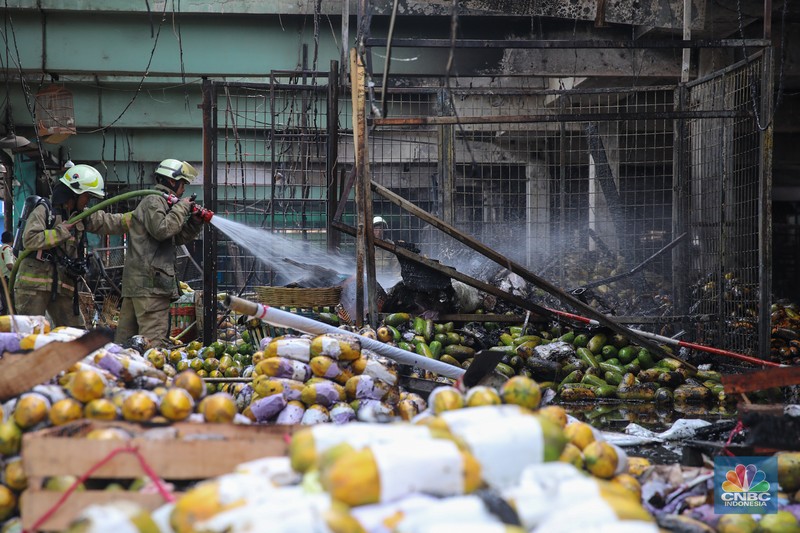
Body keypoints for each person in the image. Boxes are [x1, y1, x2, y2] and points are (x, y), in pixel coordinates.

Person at [15, 164, 132, 326]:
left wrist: (140, 216)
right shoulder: (45, 210)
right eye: (87, 196)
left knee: (76, 331)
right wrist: (61, 232)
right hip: (34, 285)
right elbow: (30, 239)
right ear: (74, 194)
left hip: (63, 286)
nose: (88, 201)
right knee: (30, 331)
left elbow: (110, 222)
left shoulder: (82, 216)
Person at [115, 158, 205, 348]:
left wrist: (195, 222)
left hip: (142, 286)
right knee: (153, 345)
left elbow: (174, 237)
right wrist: (182, 207)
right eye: (183, 184)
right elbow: (162, 230)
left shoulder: (162, 204)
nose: (184, 189)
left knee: (124, 347)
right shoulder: (154, 200)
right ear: (172, 181)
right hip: (151, 289)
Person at [0, 231, 15, 313]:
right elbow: (9, 265)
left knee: (4, 301)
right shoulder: (7, 249)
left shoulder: (1, 248)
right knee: (8, 303)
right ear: (12, 240)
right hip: (6, 279)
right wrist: (16, 273)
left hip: (1, 278)